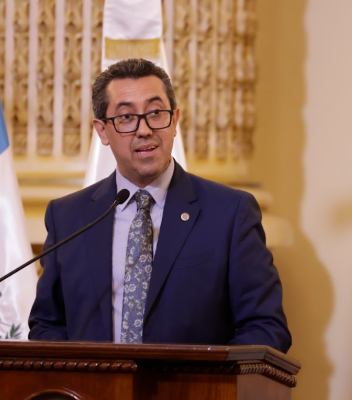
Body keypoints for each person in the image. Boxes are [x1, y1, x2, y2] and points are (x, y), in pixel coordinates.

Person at [28, 58, 291, 353]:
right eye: (126, 117)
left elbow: (266, 327)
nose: (144, 130)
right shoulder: (68, 217)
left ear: (174, 120)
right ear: (102, 131)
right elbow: (47, 325)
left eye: (155, 113)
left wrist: (208, 376)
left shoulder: (230, 213)